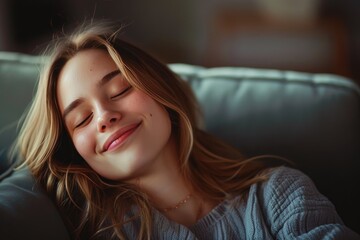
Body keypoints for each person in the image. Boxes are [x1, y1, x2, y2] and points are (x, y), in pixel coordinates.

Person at [15, 20, 359, 240]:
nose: (104, 116)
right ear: (72, 148)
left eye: (120, 90)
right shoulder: (96, 230)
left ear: (161, 91)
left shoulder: (279, 195)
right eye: (82, 120)